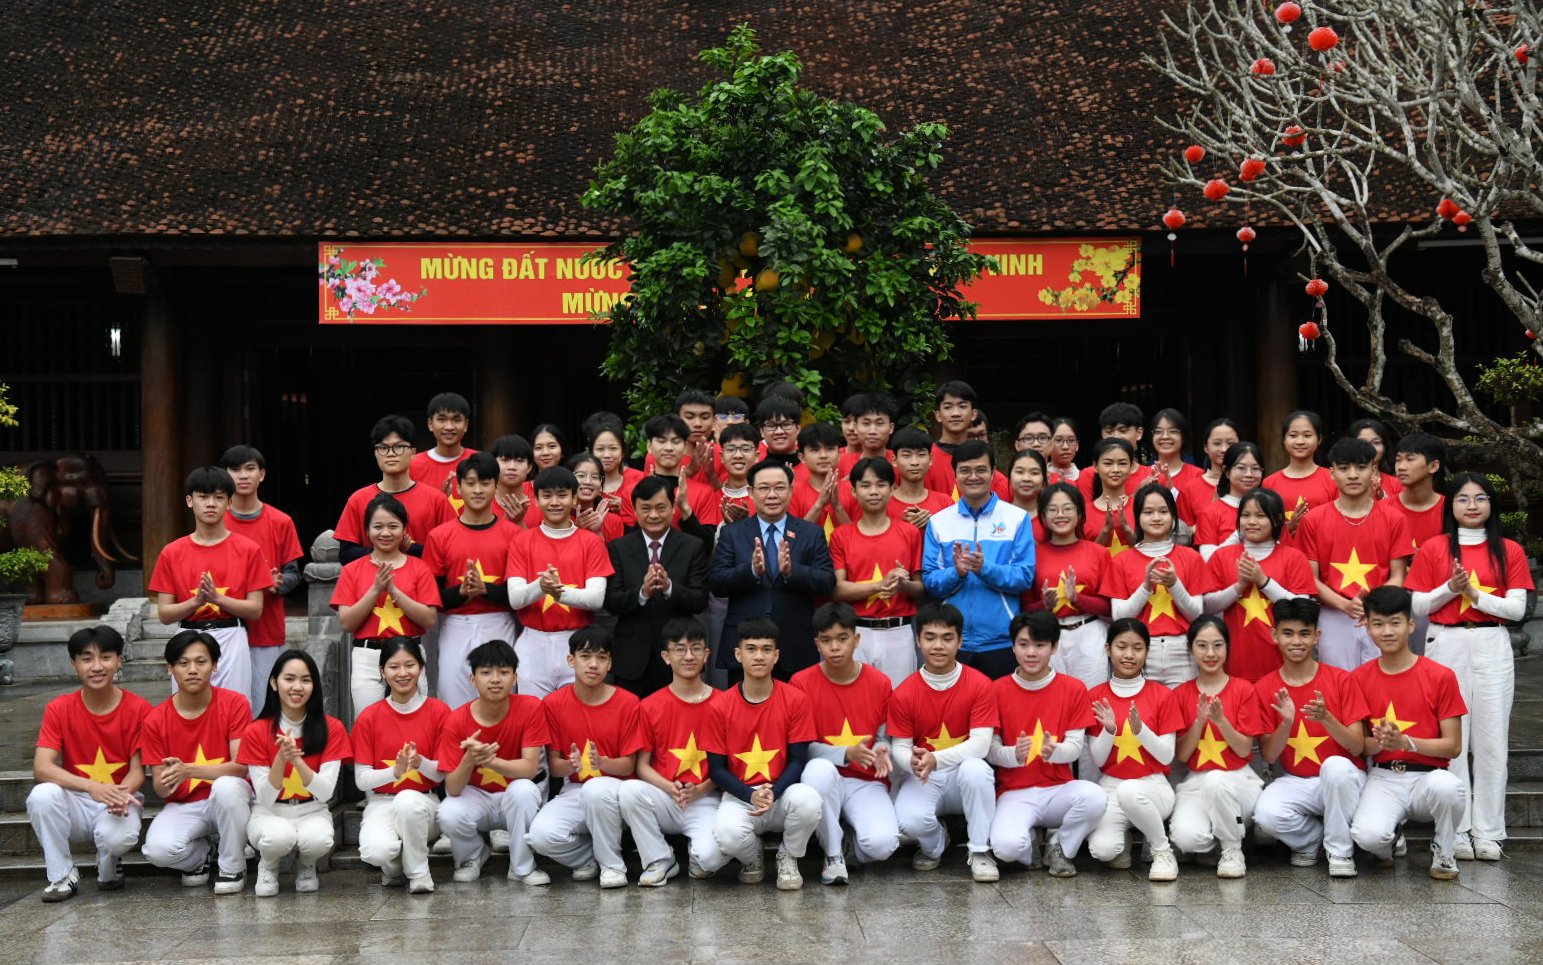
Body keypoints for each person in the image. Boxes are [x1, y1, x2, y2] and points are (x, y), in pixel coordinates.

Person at [1406, 472, 1532, 861]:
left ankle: (1490, 833)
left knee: (1492, 741)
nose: (1472, 505)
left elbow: (1516, 610)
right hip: (1447, 643)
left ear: (1492, 505)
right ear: (1452, 505)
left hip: (1492, 641)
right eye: (1463, 498)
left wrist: (1474, 594)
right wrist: (1450, 588)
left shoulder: (1508, 549)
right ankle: (1456, 829)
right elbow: (1417, 606)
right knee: (1453, 741)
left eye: (1480, 498)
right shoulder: (1434, 547)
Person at [1348, 585, 1467, 880]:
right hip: (1384, 775)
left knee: (1448, 788)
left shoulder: (1440, 676)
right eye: (1378, 624)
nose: (1387, 631)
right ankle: (1389, 840)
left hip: (1428, 777)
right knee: (1367, 837)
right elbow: (1361, 746)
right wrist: (1380, 742)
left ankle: (1444, 847)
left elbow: (1453, 746)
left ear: (1410, 625)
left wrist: (1407, 742)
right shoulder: (1359, 678)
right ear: (1368, 627)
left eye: (1395, 623)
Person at [28, 626, 151, 902]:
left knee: (117, 839)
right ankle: (62, 875)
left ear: (119, 660)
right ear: (74, 665)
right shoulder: (59, 708)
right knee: (42, 795)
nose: (97, 667)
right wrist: (92, 787)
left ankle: (109, 862)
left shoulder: (139, 708)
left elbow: (137, 770)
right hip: (76, 800)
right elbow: (42, 767)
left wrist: (119, 793)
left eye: (105, 657)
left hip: (120, 797)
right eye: (86, 659)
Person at [1251, 598, 1370, 876]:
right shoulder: (1265, 686)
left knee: (1335, 767)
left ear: (1317, 636)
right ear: (1274, 636)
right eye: (1288, 633)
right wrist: (1287, 722)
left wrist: (1327, 718)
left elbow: (1357, 746)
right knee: (1266, 814)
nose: (1296, 641)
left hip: (1345, 781)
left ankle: (1340, 852)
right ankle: (1312, 840)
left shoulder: (1342, 680)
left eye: (1305, 634)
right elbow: (1269, 755)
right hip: (1298, 781)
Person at [705, 617, 824, 890]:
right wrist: (749, 795)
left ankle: (789, 855)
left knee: (809, 800)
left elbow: (798, 759)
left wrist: (775, 791)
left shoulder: (796, 699)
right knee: (726, 835)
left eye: (766, 649)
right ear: (738, 654)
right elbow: (716, 768)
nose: (759, 656)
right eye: (751, 648)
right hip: (740, 794)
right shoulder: (719, 706)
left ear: (776, 656)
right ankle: (752, 856)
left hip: (782, 791)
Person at [986, 612, 1107, 878]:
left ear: (1054, 647)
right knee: (1006, 848)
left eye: (1040, 645)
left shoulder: (1073, 689)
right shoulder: (995, 690)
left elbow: (1075, 747)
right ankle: (1029, 845)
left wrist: (1055, 752)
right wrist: (1014, 755)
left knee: (1095, 797)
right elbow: (991, 751)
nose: (1031, 652)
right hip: (1014, 792)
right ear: (1013, 646)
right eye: (1024, 644)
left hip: (1058, 790)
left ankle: (1058, 846)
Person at [887, 603, 1000, 882]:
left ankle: (980, 851)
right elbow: (899, 747)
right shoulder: (903, 693)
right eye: (930, 637)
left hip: (964, 775)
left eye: (947, 638)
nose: (938, 646)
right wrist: (911, 761)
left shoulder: (980, 684)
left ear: (960, 641)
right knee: (908, 822)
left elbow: (982, 744)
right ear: (918, 640)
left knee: (977, 769)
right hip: (925, 776)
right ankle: (937, 843)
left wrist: (936, 759)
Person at [791, 603, 900, 886]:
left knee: (883, 845)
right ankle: (833, 854)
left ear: (856, 639)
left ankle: (850, 841)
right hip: (824, 779)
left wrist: (881, 750)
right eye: (826, 641)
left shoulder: (880, 683)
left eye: (842, 638)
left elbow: (884, 736)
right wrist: (845, 753)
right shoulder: (800, 683)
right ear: (816, 644)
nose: (835, 648)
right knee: (818, 770)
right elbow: (801, 748)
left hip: (866, 780)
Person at [529, 627, 646, 888]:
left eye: (601, 658)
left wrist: (601, 763)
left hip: (620, 791)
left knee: (596, 788)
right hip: (575, 789)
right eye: (585, 656)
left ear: (610, 663)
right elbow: (556, 768)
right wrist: (572, 764)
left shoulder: (628, 702)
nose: (593, 664)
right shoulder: (553, 703)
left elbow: (628, 766)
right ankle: (586, 860)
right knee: (541, 836)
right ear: (571, 660)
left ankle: (612, 866)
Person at [139, 631, 253, 895]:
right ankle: (200, 857)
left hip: (232, 800)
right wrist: (168, 780)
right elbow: (161, 788)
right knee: (158, 850)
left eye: (201, 662)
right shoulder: (155, 720)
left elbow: (240, 766)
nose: (192, 670)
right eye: (183, 663)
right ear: (170, 668)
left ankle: (232, 866)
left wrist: (188, 769)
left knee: (226, 787)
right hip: (185, 804)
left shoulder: (235, 704)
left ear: (214, 666)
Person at [618, 617, 730, 886]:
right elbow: (641, 766)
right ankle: (659, 858)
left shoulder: (725, 703)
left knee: (710, 860)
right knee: (629, 791)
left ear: (707, 654)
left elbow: (730, 765)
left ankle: (697, 856)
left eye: (695, 648)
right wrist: (671, 788)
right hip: (665, 796)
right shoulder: (650, 705)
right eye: (680, 649)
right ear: (666, 657)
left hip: (706, 798)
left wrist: (701, 789)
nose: (688, 656)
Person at [150, 465, 271, 704]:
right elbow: (164, 614)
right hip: (187, 636)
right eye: (203, 497)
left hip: (231, 636)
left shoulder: (248, 550)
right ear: (189, 501)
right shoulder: (171, 553)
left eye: (218, 497)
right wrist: (196, 602)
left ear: (229, 502)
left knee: (235, 707)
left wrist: (217, 599)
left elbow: (256, 609)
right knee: (187, 710)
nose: (210, 504)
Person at [435, 639, 551, 884]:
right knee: (448, 812)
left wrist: (491, 761)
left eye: (504, 672)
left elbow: (530, 769)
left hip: (515, 794)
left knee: (524, 791)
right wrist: (469, 759)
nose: (495, 679)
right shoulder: (456, 721)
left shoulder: (531, 708)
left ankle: (522, 867)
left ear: (515, 678)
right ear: (473, 680)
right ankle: (473, 855)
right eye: (486, 673)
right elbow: (452, 788)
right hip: (477, 797)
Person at [238, 650, 351, 897]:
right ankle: (268, 865)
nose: (297, 687)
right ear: (273, 683)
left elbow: (324, 793)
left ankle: (307, 864)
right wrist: (281, 758)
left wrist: (296, 761)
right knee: (279, 837)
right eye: (289, 679)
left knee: (319, 839)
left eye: (306, 680)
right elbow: (265, 798)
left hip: (312, 809)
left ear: (314, 686)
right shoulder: (256, 731)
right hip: (269, 811)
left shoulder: (332, 728)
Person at [921, 440, 1037, 679]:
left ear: (993, 473)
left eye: (981, 470)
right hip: (953, 641)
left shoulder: (1016, 518)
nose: (973, 476)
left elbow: (1024, 576)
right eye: (965, 470)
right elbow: (930, 580)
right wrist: (957, 573)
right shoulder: (939, 521)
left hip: (1002, 640)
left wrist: (985, 569)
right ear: (955, 474)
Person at [710, 460, 836, 680]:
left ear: (790, 490)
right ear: (750, 492)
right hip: (746, 644)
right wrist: (750, 571)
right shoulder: (733, 533)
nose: (772, 495)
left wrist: (791, 572)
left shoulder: (810, 533)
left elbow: (827, 582)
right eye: (764, 488)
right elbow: (717, 583)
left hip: (795, 645)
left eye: (779, 487)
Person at [1299, 437, 1413, 670]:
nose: (1353, 475)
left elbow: (1398, 574)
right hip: (1333, 615)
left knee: (1383, 687)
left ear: (1373, 471)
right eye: (1344, 468)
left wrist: (1374, 606)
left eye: (1361, 467)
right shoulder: (1313, 520)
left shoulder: (1394, 518)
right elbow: (1310, 578)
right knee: (1340, 688)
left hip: (1382, 616)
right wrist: (1344, 605)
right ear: (1332, 473)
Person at [1168, 617, 1269, 878]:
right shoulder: (1180, 694)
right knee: (1187, 839)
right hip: (1196, 782)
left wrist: (1221, 721)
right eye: (1202, 646)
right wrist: (1200, 722)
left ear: (1227, 648)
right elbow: (1182, 755)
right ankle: (1221, 837)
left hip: (1238, 781)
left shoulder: (1244, 689)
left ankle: (1232, 848)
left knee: (1216, 780)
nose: (1210, 653)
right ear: (1191, 649)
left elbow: (1244, 750)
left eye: (1217, 645)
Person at [1085, 619, 1184, 881]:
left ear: (1147, 652)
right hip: (1111, 783)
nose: (1129, 655)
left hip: (1153, 784)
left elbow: (1166, 756)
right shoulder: (1095, 695)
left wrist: (1141, 730)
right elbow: (1098, 758)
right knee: (1102, 850)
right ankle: (1128, 836)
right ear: (1108, 649)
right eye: (1121, 647)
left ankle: (1162, 850)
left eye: (1137, 648)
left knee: (1131, 791)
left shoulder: (1163, 695)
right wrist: (1109, 730)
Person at [350, 638, 452, 893]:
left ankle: (419, 873)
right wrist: (394, 772)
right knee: (376, 852)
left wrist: (420, 763)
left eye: (410, 665)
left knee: (407, 800)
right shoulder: (369, 717)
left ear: (422, 668)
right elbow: (361, 779)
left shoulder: (439, 711)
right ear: (382, 672)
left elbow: (440, 775)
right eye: (394, 667)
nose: (403, 673)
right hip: (381, 803)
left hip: (424, 804)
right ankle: (396, 867)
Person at [505, 466, 615, 698]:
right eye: (546, 495)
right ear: (535, 500)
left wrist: (557, 592)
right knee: (534, 718)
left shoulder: (591, 542)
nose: (554, 502)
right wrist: (541, 586)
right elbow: (515, 599)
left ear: (575, 498)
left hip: (578, 643)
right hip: (532, 642)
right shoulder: (522, 541)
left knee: (574, 721)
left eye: (562, 495)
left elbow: (596, 599)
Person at [420, 453, 518, 710]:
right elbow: (432, 595)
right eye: (471, 483)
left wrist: (485, 590)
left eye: (485, 483)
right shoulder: (439, 536)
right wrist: (462, 593)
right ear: (459, 487)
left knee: (502, 701)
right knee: (454, 702)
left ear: (496, 486)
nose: (477, 490)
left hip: (500, 623)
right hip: (455, 624)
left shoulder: (514, 535)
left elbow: (520, 593)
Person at [332, 495, 439, 720]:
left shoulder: (420, 568)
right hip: (368, 655)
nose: (385, 533)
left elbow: (428, 619)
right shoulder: (352, 570)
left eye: (393, 526)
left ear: (404, 530)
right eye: (378, 527)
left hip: (410, 656)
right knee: (367, 721)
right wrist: (375, 590)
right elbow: (347, 622)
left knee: (414, 722)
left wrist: (394, 591)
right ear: (367, 530)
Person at [604, 475, 711, 696]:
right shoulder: (618, 548)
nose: (654, 515)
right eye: (646, 508)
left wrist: (669, 587)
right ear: (634, 511)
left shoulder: (693, 546)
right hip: (632, 658)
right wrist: (642, 593)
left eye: (661, 508)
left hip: (680, 655)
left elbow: (699, 600)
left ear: (673, 508)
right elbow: (611, 601)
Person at [1201, 489, 1316, 682]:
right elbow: (1206, 606)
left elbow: (1302, 609)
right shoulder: (1222, 556)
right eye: (1245, 515)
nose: (1251, 522)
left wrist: (1263, 581)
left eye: (1260, 515)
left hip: (1283, 666)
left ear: (1277, 519)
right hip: (1234, 664)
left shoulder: (1293, 557)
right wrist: (1239, 586)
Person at [220, 445, 304, 707]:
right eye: (235, 469)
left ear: (262, 475)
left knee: (264, 706)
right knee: (228, 706)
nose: (243, 476)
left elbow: (294, 574)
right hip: (222, 628)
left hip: (266, 630)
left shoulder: (280, 521)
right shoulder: (216, 521)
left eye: (250, 469)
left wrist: (277, 584)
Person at [830, 457, 925, 686]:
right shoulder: (841, 536)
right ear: (853, 491)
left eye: (881, 484)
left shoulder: (910, 533)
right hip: (856, 633)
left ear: (892, 490)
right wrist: (881, 585)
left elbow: (920, 587)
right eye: (865, 485)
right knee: (858, 706)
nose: (873, 491)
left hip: (899, 632)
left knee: (899, 704)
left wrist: (903, 585)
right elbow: (837, 589)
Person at [1105, 483, 1211, 686]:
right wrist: (1146, 587)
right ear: (1137, 516)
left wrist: (1174, 585)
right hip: (1137, 651)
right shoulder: (1121, 561)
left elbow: (1196, 614)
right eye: (1148, 512)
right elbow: (1119, 616)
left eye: (1163, 511)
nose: (1156, 518)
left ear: (1173, 516)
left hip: (1183, 651)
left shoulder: (1191, 558)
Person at [333, 415, 456, 564]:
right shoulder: (358, 500)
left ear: (413, 452)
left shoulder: (436, 499)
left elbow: (450, 551)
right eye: (383, 448)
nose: (390, 453)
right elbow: (346, 554)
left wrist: (411, 548)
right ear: (375, 453)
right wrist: (387, 548)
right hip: (372, 585)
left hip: (422, 584)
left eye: (398, 447)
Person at [1032, 483, 1113, 697]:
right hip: (1048, 635)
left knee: (1093, 699)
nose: (1060, 515)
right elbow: (1023, 606)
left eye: (1068, 508)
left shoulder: (1098, 553)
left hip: (1090, 634)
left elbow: (1110, 606)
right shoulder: (1034, 555)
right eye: (1052, 509)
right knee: (1053, 701)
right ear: (1043, 515)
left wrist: (1077, 599)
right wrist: (1044, 605)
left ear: (1079, 513)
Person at [925, 381, 1010, 500]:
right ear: (938, 415)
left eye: (962, 406)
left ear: (973, 414)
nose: (955, 413)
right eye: (948, 407)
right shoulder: (924, 460)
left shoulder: (991, 470)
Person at [1262, 410, 1337, 542]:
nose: (1300, 441)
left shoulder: (1332, 478)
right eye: (1293, 435)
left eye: (1307, 435)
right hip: (1283, 558)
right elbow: (1265, 528)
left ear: (1319, 439)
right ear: (1284, 439)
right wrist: (1289, 527)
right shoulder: (1269, 483)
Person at [1192, 442, 1265, 560]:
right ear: (1226, 471)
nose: (1249, 474)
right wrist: (1240, 534)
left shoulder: (1271, 510)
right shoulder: (1210, 513)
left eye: (1255, 469)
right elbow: (1208, 560)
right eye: (1241, 468)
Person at [408, 392, 476, 511]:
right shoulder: (412, 465)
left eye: (456, 419)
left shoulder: (479, 461)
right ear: (430, 424)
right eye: (442, 419)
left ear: (466, 425)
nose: (449, 427)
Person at [1075, 402, 1152, 501]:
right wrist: (1137, 496)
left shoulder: (1150, 476)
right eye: (1109, 431)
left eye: (1123, 431)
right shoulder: (1089, 474)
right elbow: (1086, 514)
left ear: (1139, 433)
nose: (1116, 437)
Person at [789, 423, 854, 535]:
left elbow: (858, 539)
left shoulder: (853, 491)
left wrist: (838, 508)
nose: (823, 455)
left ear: (839, 454)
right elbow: (792, 537)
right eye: (815, 450)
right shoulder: (792, 493)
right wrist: (819, 504)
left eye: (830, 449)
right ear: (802, 457)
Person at [1177, 418, 1241, 527]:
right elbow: (1182, 533)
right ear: (1206, 447)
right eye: (1217, 443)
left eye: (1230, 443)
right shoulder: (1190, 489)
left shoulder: (1250, 484)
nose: (1224, 449)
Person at [1082, 438, 1139, 558]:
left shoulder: (1142, 508)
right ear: (1095, 467)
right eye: (1108, 463)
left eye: (1122, 463)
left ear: (1131, 466)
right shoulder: (1083, 513)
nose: (1116, 470)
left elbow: (1149, 553)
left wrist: (1128, 531)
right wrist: (1106, 532)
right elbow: (1084, 559)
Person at [889, 426, 954, 531]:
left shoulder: (945, 502)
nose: (914, 462)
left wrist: (932, 525)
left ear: (930, 459)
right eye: (906, 455)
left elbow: (956, 539)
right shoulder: (884, 505)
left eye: (921, 454)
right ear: (894, 460)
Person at [1392, 432, 1448, 553]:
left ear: (1433, 466)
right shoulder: (1383, 509)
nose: (1400, 467)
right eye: (1398, 460)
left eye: (1410, 459)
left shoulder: (1450, 510)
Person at [587, 415, 644, 523]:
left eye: (613, 448)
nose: (607, 455)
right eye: (600, 449)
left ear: (622, 452)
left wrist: (627, 507)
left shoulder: (640, 479)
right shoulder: (583, 483)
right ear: (591, 452)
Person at [568, 452, 626, 543]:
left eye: (595, 477)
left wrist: (597, 532)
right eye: (580, 475)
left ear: (601, 484)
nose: (588, 481)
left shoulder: (613, 521)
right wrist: (577, 530)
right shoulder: (559, 518)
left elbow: (617, 556)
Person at [1347, 417, 1403, 500]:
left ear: (1384, 448)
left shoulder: (1397, 484)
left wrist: (1382, 496)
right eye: (1362, 442)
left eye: (1376, 443)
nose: (1369, 448)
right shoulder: (1339, 482)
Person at [490, 433, 537, 528]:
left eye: (519, 461)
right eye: (505, 460)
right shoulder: (482, 503)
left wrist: (519, 523)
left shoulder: (540, 506)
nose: (512, 467)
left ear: (529, 467)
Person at [1007, 448, 1048, 542]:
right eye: (1019, 472)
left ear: (1044, 481)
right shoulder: (997, 515)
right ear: (1009, 477)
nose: (1026, 478)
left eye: (1034, 473)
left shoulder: (1051, 518)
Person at [755, 395, 804, 471]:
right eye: (771, 425)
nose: (779, 431)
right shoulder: (754, 470)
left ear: (798, 428)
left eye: (786, 424)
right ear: (761, 431)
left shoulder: (815, 468)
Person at [1046, 416, 1083, 486]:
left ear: (1077, 445)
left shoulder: (1086, 478)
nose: (1065, 447)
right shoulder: (1041, 478)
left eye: (1071, 440)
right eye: (1058, 440)